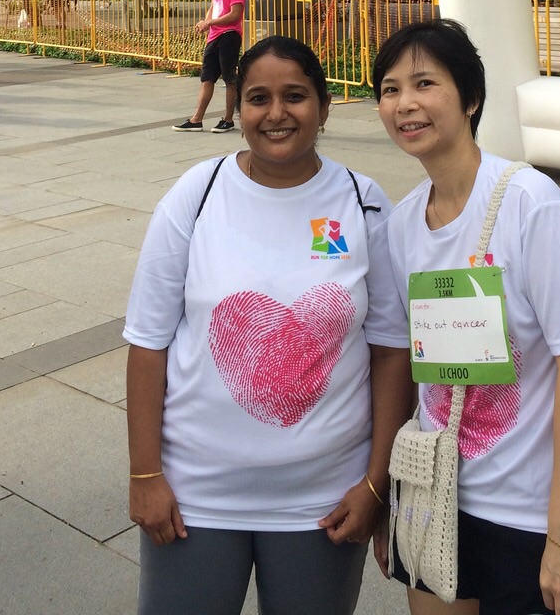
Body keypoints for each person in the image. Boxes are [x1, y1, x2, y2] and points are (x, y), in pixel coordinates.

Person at [126, 36, 409, 615]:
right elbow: (148, 344)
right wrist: (145, 474)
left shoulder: (363, 202)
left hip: (327, 500)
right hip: (195, 495)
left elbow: (389, 350)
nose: (276, 114)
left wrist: (375, 484)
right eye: (258, 98)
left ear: (324, 108)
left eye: (296, 96)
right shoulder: (196, 195)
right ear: (238, 107)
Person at [372, 19, 560, 615]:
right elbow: (406, 368)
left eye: (425, 83)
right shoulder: (400, 226)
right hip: (435, 495)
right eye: (390, 88)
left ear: (471, 98)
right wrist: (390, 497)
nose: (406, 104)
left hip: (531, 517)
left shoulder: (532, 205)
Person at [172, 0, 245, 133]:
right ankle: (197, 119)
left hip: (229, 35)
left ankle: (228, 120)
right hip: (214, 35)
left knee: (229, 78)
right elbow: (214, 6)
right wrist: (205, 23)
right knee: (207, 78)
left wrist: (210, 22)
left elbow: (235, 15)